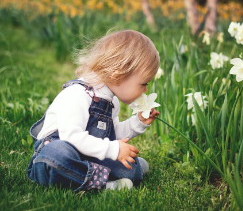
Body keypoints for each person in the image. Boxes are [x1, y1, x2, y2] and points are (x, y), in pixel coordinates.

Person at [27, 30, 160, 191]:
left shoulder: (111, 101)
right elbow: (71, 137)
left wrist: (138, 123)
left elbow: (112, 134)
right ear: (119, 75)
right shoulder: (77, 94)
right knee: (57, 155)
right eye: (143, 83)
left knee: (132, 170)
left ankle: (95, 174)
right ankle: (105, 185)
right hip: (57, 154)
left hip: (87, 154)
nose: (145, 90)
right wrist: (113, 149)